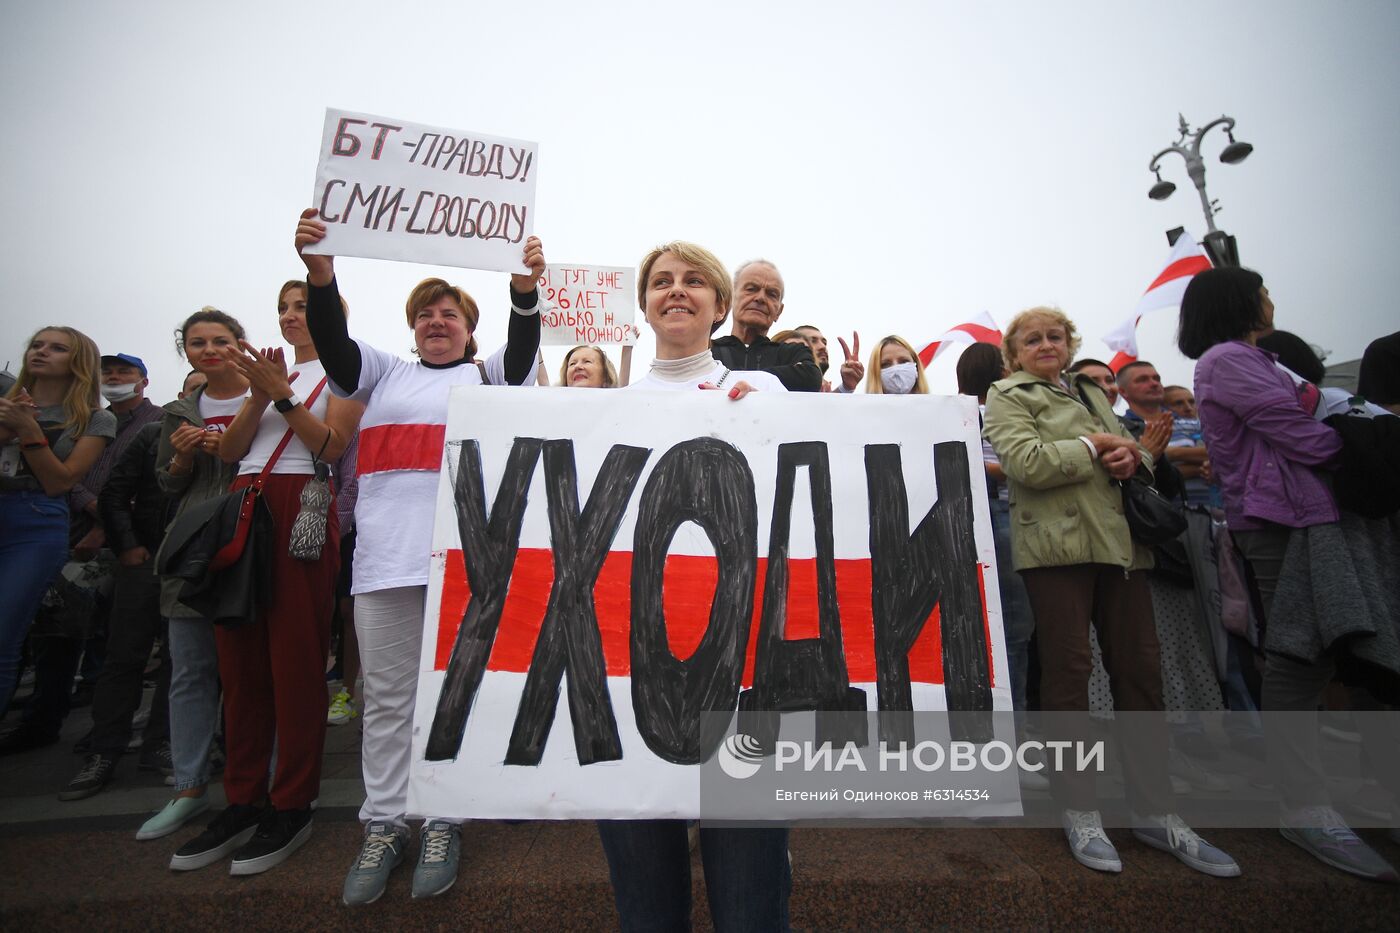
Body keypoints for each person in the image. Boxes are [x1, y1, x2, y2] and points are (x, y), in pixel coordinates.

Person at [293, 207, 545, 905]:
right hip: (383, 566)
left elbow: (523, 348)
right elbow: (334, 344)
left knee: (448, 698)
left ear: (469, 328)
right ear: (412, 328)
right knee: (387, 701)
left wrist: (523, 290)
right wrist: (321, 275)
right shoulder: (380, 374)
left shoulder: (491, 375)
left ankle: (442, 816)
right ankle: (383, 823)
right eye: (426, 314)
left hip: (465, 567)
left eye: (450, 314)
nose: (437, 321)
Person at [983, 306, 1238, 878]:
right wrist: (1097, 445)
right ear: (1014, 353)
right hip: (1054, 550)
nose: (1046, 344)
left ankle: (1155, 808)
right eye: (1033, 339)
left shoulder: (1090, 393)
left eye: (1056, 336)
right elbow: (1024, 464)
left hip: (1120, 548)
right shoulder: (1007, 394)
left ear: (1070, 345)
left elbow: (1135, 457)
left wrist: (1132, 456)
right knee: (1069, 674)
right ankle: (1079, 808)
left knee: (1141, 673)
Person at [1179, 267, 1399, 882]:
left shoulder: (1257, 358)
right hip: (1279, 518)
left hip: (1309, 513)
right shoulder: (1228, 360)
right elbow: (1298, 434)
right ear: (1238, 302)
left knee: (1334, 649)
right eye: (1261, 290)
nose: (1270, 299)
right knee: (1298, 652)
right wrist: (1369, 453)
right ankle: (1302, 804)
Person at [601, 241, 789, 931]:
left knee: (751, 906)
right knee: (646, 909)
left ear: (716, 304)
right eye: (660, 282)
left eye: (692, 282)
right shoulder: (603, 410)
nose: (675, 291)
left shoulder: (760, 390)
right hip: (631, 685)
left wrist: (761, 421)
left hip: (744, 685)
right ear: (645, 304)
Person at [192, 279, 364, 875]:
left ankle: (292, 800)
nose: (293, 316)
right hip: (246, 501)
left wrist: (283, 396)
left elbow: (334, 446)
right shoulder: (261, 377)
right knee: (239, 661)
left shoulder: (346, 374)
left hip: (302, 508)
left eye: (304, 306)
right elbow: (230, 450)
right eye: (284, 308)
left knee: (294, 659)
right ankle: (243, 797)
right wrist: (259, 397)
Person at [143, 309, 250, 855]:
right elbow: (165, 481)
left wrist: (229, 452)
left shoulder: (267, 395)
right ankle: (188, 786)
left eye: (220, 340)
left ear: (240, 345)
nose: (209, 350)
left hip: (249, 543)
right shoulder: (179, 411)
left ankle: (254, 778)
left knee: (249, 670)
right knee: (190, 672)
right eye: (197, 342)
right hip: (190, 547)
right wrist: (184, 458)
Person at [61, 362, 186, 799]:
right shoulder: (153, 434)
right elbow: (116, 492)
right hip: (146, 558)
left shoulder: (237, 434)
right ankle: (105, 748)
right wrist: (129, 545)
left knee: (180, 662)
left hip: (192, 567)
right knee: (124, 656)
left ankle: (161, 744)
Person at [0, 327, 115, 726]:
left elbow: (60, 482)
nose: (42, 352)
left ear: (78, 361)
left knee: (6, 632)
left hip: (35, 520)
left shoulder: (95, 419)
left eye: (57, 348)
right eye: (37, 345)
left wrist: (29, 431)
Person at [955, 343, 1035, 716]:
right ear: (1004, 372)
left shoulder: (968, 413)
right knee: (1014, 630)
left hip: (992, 518)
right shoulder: (984, 414)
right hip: (1001, 514)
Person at [708, 259, 821, 391]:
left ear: (779, 311)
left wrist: (725, 378)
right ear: (732, 298)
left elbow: (810, 378)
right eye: (751, 289)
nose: (760, 298)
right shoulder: (707, 349)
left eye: (772, 294)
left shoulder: (792, 352)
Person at [864, 335, 928, 395]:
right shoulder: (864, 406)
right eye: (885, 364)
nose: (896, 369)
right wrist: (853, 389)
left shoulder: (935, 405)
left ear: (916, 368)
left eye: (904, 361)